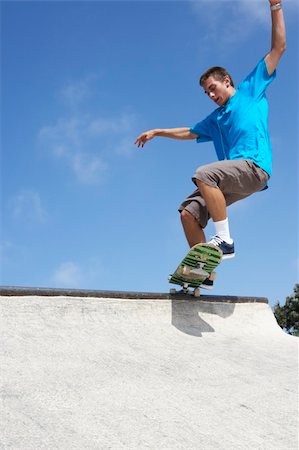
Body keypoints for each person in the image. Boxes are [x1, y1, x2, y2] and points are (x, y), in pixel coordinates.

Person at [134, 0, 286, 287]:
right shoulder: (215, 119)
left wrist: (276, 6)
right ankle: (203, 272)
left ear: (227, 81)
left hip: (254, 167)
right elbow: (188, 132)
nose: (211, 96)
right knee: (188, 212)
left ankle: (225, 240)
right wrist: (157, 131)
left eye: (212, 89)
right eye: (206, 93)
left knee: (205, 173)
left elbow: (278, 48)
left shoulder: (250, 90)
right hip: (231, 179)